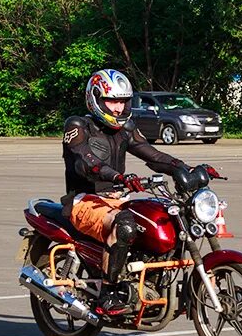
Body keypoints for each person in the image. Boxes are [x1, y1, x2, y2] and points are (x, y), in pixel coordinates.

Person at [62, 69, 206, 314]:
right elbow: (85, 162)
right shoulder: (78, 126)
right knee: (124, 226)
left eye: (122, 101)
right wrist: (117, 176)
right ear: (95, 99)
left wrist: (185, 167)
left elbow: (152, 155)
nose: (118, 108)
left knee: (168, 221)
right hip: (85, 202)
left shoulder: (125, 128)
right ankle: (109, 293)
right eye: (111, 101)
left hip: (120, 200)